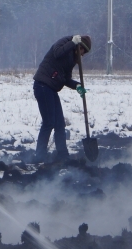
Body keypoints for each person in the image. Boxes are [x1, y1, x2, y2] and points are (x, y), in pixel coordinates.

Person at [32, 35, 91, 163]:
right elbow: (57, 53)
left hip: (51, 89)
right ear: (79, 46)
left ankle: (63, 156)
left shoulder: (71, 60)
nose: (83, 55)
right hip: (42, 86)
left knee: (59, 124)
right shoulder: (65, 43)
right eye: (83, 51)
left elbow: (65, 79)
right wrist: (72, 43)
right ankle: (39, 157)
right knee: (49, 123)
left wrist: (77, 86)